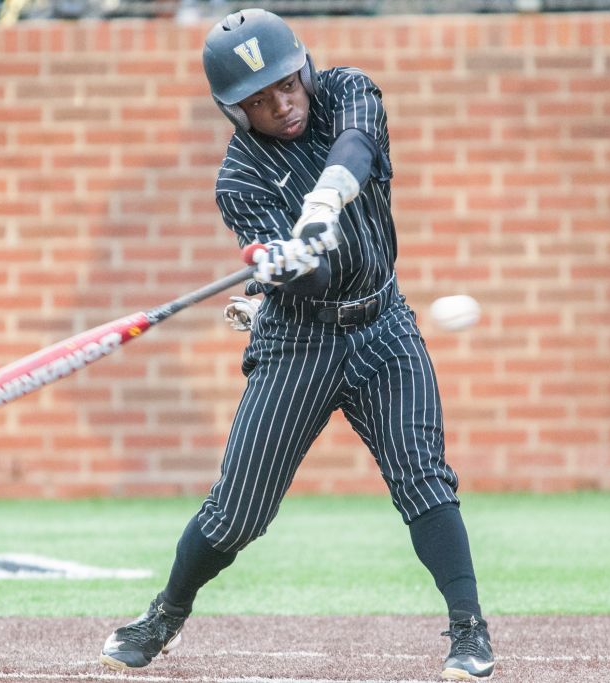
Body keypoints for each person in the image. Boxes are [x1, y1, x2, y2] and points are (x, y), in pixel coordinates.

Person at [99, 8, 495, 681]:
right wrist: (284, 263)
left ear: (304, 69)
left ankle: (469, 630)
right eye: (258, 100)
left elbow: (357, 151)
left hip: (383, 326)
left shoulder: (348, 91)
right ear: (234, 112)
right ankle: (165, 614)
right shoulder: (240, 179)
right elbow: (308, 276)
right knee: (237, 513)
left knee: (424, 478)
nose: (281, 105)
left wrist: (321, 208)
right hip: (299, 342)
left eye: (287, 85)